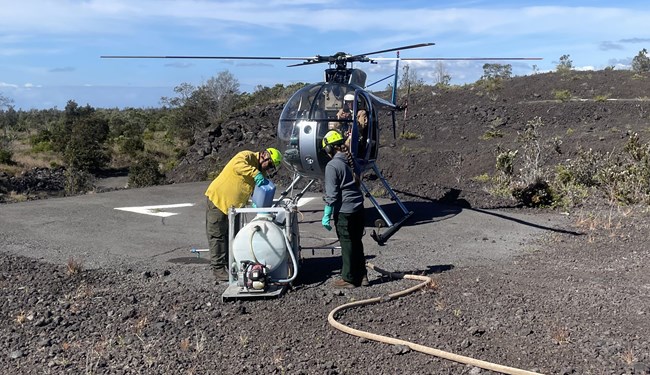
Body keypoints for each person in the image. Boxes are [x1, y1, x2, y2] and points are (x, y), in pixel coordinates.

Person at [205, 148, 282, 283]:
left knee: (232, 236)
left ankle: (232, 265)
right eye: (270, 164)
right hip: (219, 200)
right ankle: (218, 269)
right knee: (217, 235)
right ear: (264, 156)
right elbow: (238, 166)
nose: (269, 168)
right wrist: (255, 173)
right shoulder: (246, 156)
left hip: (234, 207)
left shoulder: (261, 172)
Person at [321, 130, 368, 288]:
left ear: (329, 148)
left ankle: (348, 278)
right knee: (356, 242)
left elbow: (332, 194)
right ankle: (362, 276)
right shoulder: (351, 160)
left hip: (344, 211)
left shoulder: (332, 165)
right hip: (358, 208)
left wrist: (327, 213)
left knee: (347, 243)